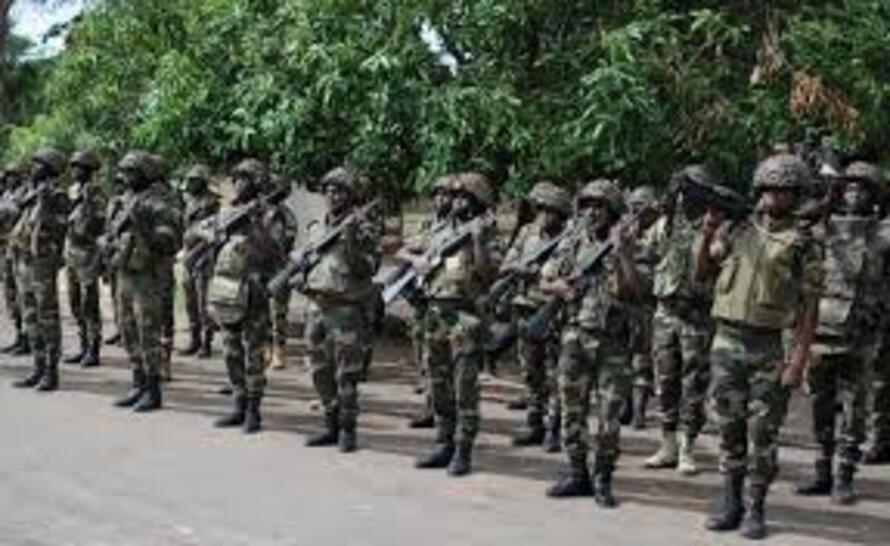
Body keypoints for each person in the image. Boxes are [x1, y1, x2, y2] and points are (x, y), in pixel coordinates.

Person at [697, 154, 822, 540]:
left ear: (796, 196)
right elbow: (703, 274)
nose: (774, 197)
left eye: (784, 191)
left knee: (763, 433)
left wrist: (798, 361)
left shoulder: (802, 243)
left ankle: (756, 506)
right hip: (727, 341)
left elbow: (810, 306)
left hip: (769, 347)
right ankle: (730, 499)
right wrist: (707, 234)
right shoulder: (736, 231)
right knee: (729, 426)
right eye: (768, 188)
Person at [541, 179, 640, 507]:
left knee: (609, 416)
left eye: (599, 206)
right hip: (574, 336)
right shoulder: (572, 241)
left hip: (612, 343)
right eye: (587, 205)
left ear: (612, 211)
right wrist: (561, 289)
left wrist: (624, 253)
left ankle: (602, 477)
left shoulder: (628, 242)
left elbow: (634, 292)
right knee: (572, 410)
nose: (592, 212)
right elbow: (546, 278)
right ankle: (577, 473)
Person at [795, 161, 889, 504]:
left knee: (855, 408)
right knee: (820, 404)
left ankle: (845, 477)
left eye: (863, 187)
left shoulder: (883, 233)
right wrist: (827, 196)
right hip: (822, 331)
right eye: (848, 187)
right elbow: (799, 220)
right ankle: (822, 470)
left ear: (875, 195)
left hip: (862, 336)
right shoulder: (824, 228)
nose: (854, 193)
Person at [410, 172, 498, 476]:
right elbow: (418, 254)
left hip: (464, 317)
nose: (457, 201)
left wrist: (477, 241)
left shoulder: (485, 232)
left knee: (464, 386)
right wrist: (417, 262)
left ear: (477, 202)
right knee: (438, 383)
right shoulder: (443, 229)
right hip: (435, 313)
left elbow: (488, 275)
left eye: (464, 197)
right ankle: (443, 442)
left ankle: (463, 449)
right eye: (455, 196)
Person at [297, 166, 380, 452]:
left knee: (347, 374)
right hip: (315, 307)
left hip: (345, 310)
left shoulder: (363, 227)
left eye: (340, 190)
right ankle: (330, 423)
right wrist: (300, 276)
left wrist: (352, 241)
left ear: (352, 196)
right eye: (329, 190)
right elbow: (307, 262)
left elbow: (367, 268)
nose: (333, 195)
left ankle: (347, 429)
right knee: (319, 370)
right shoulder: (316, 227)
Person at [642, 168, 716, 475]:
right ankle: (668, 442)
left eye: (690, 191)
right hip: (665, 312)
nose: (683, 197)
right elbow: (648, 255)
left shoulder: (712, 225)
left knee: (694, 383)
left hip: (696, 314)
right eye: (679, 191)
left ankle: (688, 446)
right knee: (666, 380)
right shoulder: (665, 224)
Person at [205, 159, 283, 433]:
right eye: (235, 178)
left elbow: (274, 253)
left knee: (253, 353)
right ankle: (238, 404)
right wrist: (211, 235)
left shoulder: (270, 214)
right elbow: (197, 232)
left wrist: (255, 225)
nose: (237, 183)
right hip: (227, 290)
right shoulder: (227, 211)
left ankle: (253, 410)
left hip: (254, 292)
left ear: (258, 183)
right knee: (230, 350)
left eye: (245, 179)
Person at [500, 181, 571, 450]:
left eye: (550, 210)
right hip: (525, 308)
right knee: (531, 372)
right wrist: (527, 271)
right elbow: (507, 264)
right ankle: (534, 424)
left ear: (561, 213)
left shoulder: (569, 238)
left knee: (555, 374)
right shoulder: (527, 233)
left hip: (553, 313)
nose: (543, 215)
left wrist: (532, 274)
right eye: (540, 209)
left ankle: (554, 427)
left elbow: (565, 277)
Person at [111, 151, 182, 412]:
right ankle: (138, 383)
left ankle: (153, 390)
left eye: (132, 172)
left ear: (145, 173)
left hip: (148, 274)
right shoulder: (126, 198)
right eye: (125, 171)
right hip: (125, 270)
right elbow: (114, 230)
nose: (127, 177)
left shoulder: (160, 200)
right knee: (128, 329)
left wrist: (146, 230)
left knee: (147, 331)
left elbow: (171, 239)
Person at [399, 175, 456, 429]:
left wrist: (438, 267)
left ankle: (447, 412)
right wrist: (415, 261)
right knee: (426, 356)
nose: (441, 199)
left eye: (447, 195)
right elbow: (401, 250)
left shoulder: (460, 230)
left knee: (449, 360)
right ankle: (431, 406)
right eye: (437, 194)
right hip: (424, 299)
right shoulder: (429, 226)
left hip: (447, 300)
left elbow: (460, 267)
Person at [10, 148, 69, 392]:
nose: (33, 168)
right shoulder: (29, 192)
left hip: (42, 261)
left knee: (47, 315)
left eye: (38, 164)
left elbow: (63, 226)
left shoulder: (57, 194)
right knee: (30, 314)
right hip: (24, 258)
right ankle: (37, 364)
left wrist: (45, 205)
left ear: (50, 167)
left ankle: (51, 371)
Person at [63, 150, 106, 368]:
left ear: (89, 170)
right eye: (73, 166)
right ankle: (82, 345)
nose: (74, 171)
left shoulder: (96, 194)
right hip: (72, 252)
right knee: (74, 302)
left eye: (78, 167)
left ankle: (93, 348)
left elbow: (99, 225)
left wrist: (88, 203)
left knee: (90, 303)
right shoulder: (71, 191)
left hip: (88, 253)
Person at [623, 185, 659, 430]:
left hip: (647, 303)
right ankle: (625, 407)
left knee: (642, 361)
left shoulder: (660, 231)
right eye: (633, 206)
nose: (636, 211)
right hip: (624, 302)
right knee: (622, 358)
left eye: (641, 207)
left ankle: (639, 412)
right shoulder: (627, 229)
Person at [179, 164, 221, 358]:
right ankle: (194, 339)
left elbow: (212, 233)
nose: (190, 184)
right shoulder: (189, 201)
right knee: (190, 301)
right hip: (188, 255)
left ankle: (206, 342)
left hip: (203, 256)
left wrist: (195, 254)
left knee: (204, 302)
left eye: (194, 180)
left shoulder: (211, 203)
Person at [264, 172, 298, 370]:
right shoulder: (260, 211)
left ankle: (279, 349)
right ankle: (266, 346)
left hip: (280, 266)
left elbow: (289, 237)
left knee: (279, 311)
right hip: (262, 265)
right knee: (261, 311)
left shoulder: (286, 214)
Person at [0, 165, 28, 354]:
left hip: (19, 252)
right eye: (7, 176)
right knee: (10, 297)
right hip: (6, 250)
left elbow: (12, 215)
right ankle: (19, 336)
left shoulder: (24, 195)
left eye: (13, 176)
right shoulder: (6, 195)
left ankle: (27, 339)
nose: (9, 179)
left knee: (22, 296)